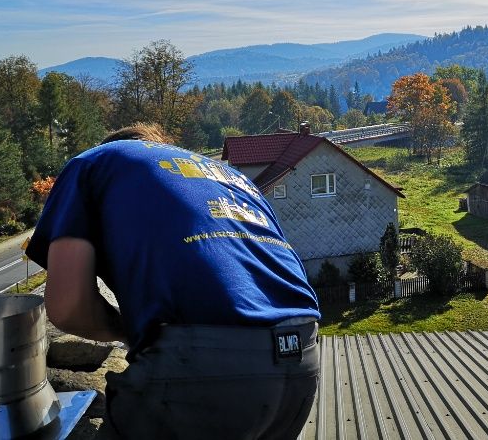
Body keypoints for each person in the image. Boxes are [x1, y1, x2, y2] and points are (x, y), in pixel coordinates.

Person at [26, 123, 321, 439]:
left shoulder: (96, 161)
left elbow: (68, 307)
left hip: (203, 368)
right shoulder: (231, 177)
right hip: (302, 358)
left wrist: (125, 330)